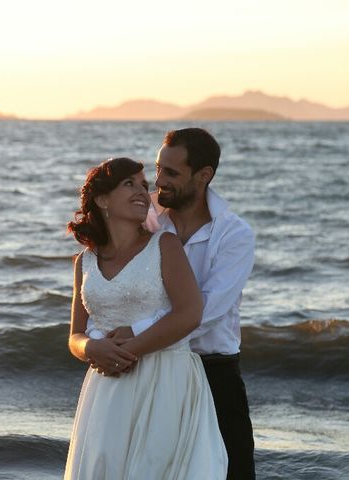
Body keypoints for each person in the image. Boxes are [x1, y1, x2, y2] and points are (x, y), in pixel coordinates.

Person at [87, 129, 256, 480]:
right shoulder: (144, 214)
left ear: (204, 175)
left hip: (213, 373)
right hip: (145, 371)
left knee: (233, 472)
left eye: (171, 174)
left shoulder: (234, 234)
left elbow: (205, 311)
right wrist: (99, 343)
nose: (159, 182)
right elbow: (111, 284)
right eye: (158, 169)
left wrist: (134, 335)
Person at [64, 157, 228, 479]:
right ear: (101, 199)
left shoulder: (164, 245)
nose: (143, 191)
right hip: (108, 385)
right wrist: (91, 349)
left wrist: (130, 350)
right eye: (129, 184)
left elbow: (190, 313)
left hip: (166, 377)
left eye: (143, 184)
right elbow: (75, 335)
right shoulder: (85, 261)